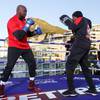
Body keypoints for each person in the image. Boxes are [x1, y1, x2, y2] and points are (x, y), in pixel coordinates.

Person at [0, 5, 42, 97]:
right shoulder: (12, 21)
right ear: (18, 11)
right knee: (9, 66)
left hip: (25, 47)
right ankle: (1, 87)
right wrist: (27, 25)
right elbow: (19, 36)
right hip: (14, 46)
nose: (26, 13)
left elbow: (26, 34)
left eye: (26, 11)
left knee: (32, 64)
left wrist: (35, 32)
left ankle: (31, 85)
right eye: (24, 11)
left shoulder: (24, 21)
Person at [60, 11, 97, 96]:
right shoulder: (88, 21)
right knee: (85, 67)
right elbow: (80, 29)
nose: (72, 19)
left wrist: (67, 21)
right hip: (87, 44)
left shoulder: (80, 19)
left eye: (73, 18)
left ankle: (71, 90)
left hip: (80, 44)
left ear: (75, 17)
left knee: (69, 65)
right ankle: (92, 88)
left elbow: (72, 26)